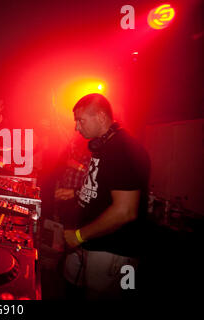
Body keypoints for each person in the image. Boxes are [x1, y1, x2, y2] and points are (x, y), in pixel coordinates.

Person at [63, 93, 150, 299]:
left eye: (80, 120)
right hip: (93, 244)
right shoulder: (105, 146)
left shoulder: (123, 150)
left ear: (101, 117)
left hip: (114, 252)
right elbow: (103, 189)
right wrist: (77, 192)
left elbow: (124, 212)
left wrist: (78, 236)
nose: (76, 127)